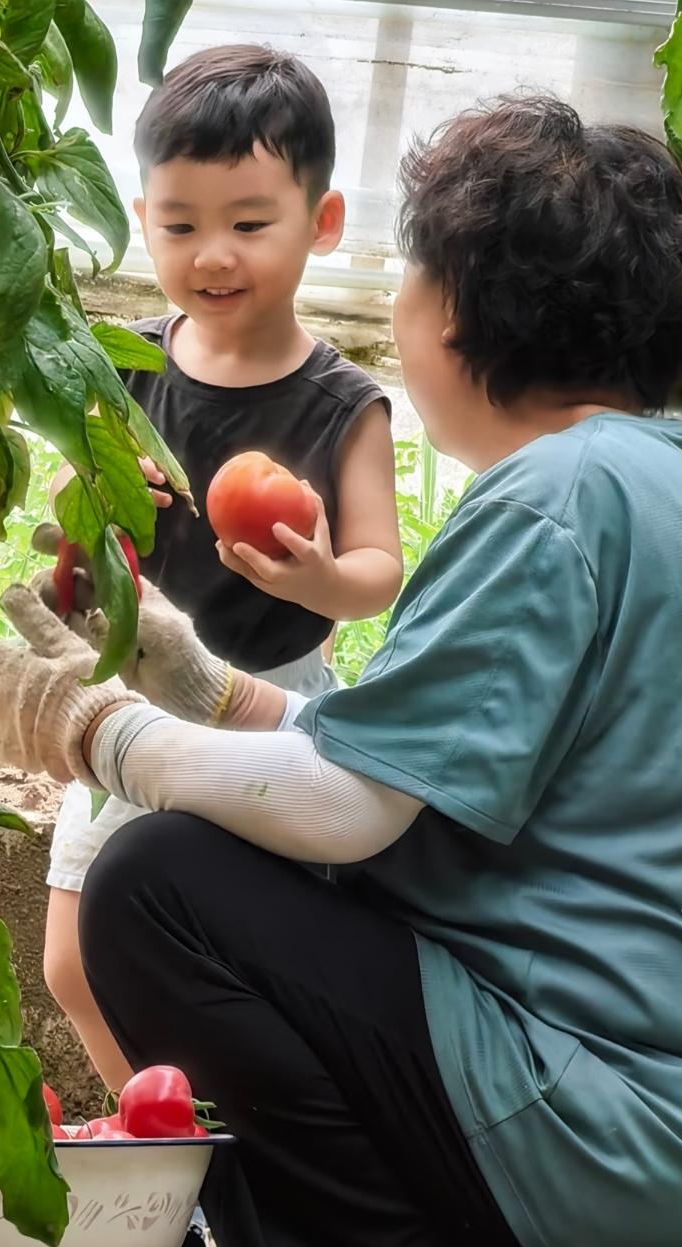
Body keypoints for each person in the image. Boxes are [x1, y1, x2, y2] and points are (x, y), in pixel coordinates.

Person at [0, 97, 682, 1247]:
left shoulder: (558, 499)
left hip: (603, 1146)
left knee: (155, 889)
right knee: (224, 867)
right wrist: (213, 690)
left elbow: (353, 812)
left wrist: (91, 732)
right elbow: (421, 777)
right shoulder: (675, 488)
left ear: (460, 309)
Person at [40, 44, 402, 1096]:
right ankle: (170, 1149)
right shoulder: (127, 367)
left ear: (322, 224)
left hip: (269, 711)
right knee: (71, 960)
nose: (213, 255)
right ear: (142, 216)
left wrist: (319, 582)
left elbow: (380, 569)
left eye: (250, 224)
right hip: (132, 694)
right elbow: (73, 532)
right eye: (180, 224)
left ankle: (237, 1152)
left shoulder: (345, 404)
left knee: (220, 951)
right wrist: (96, 513)